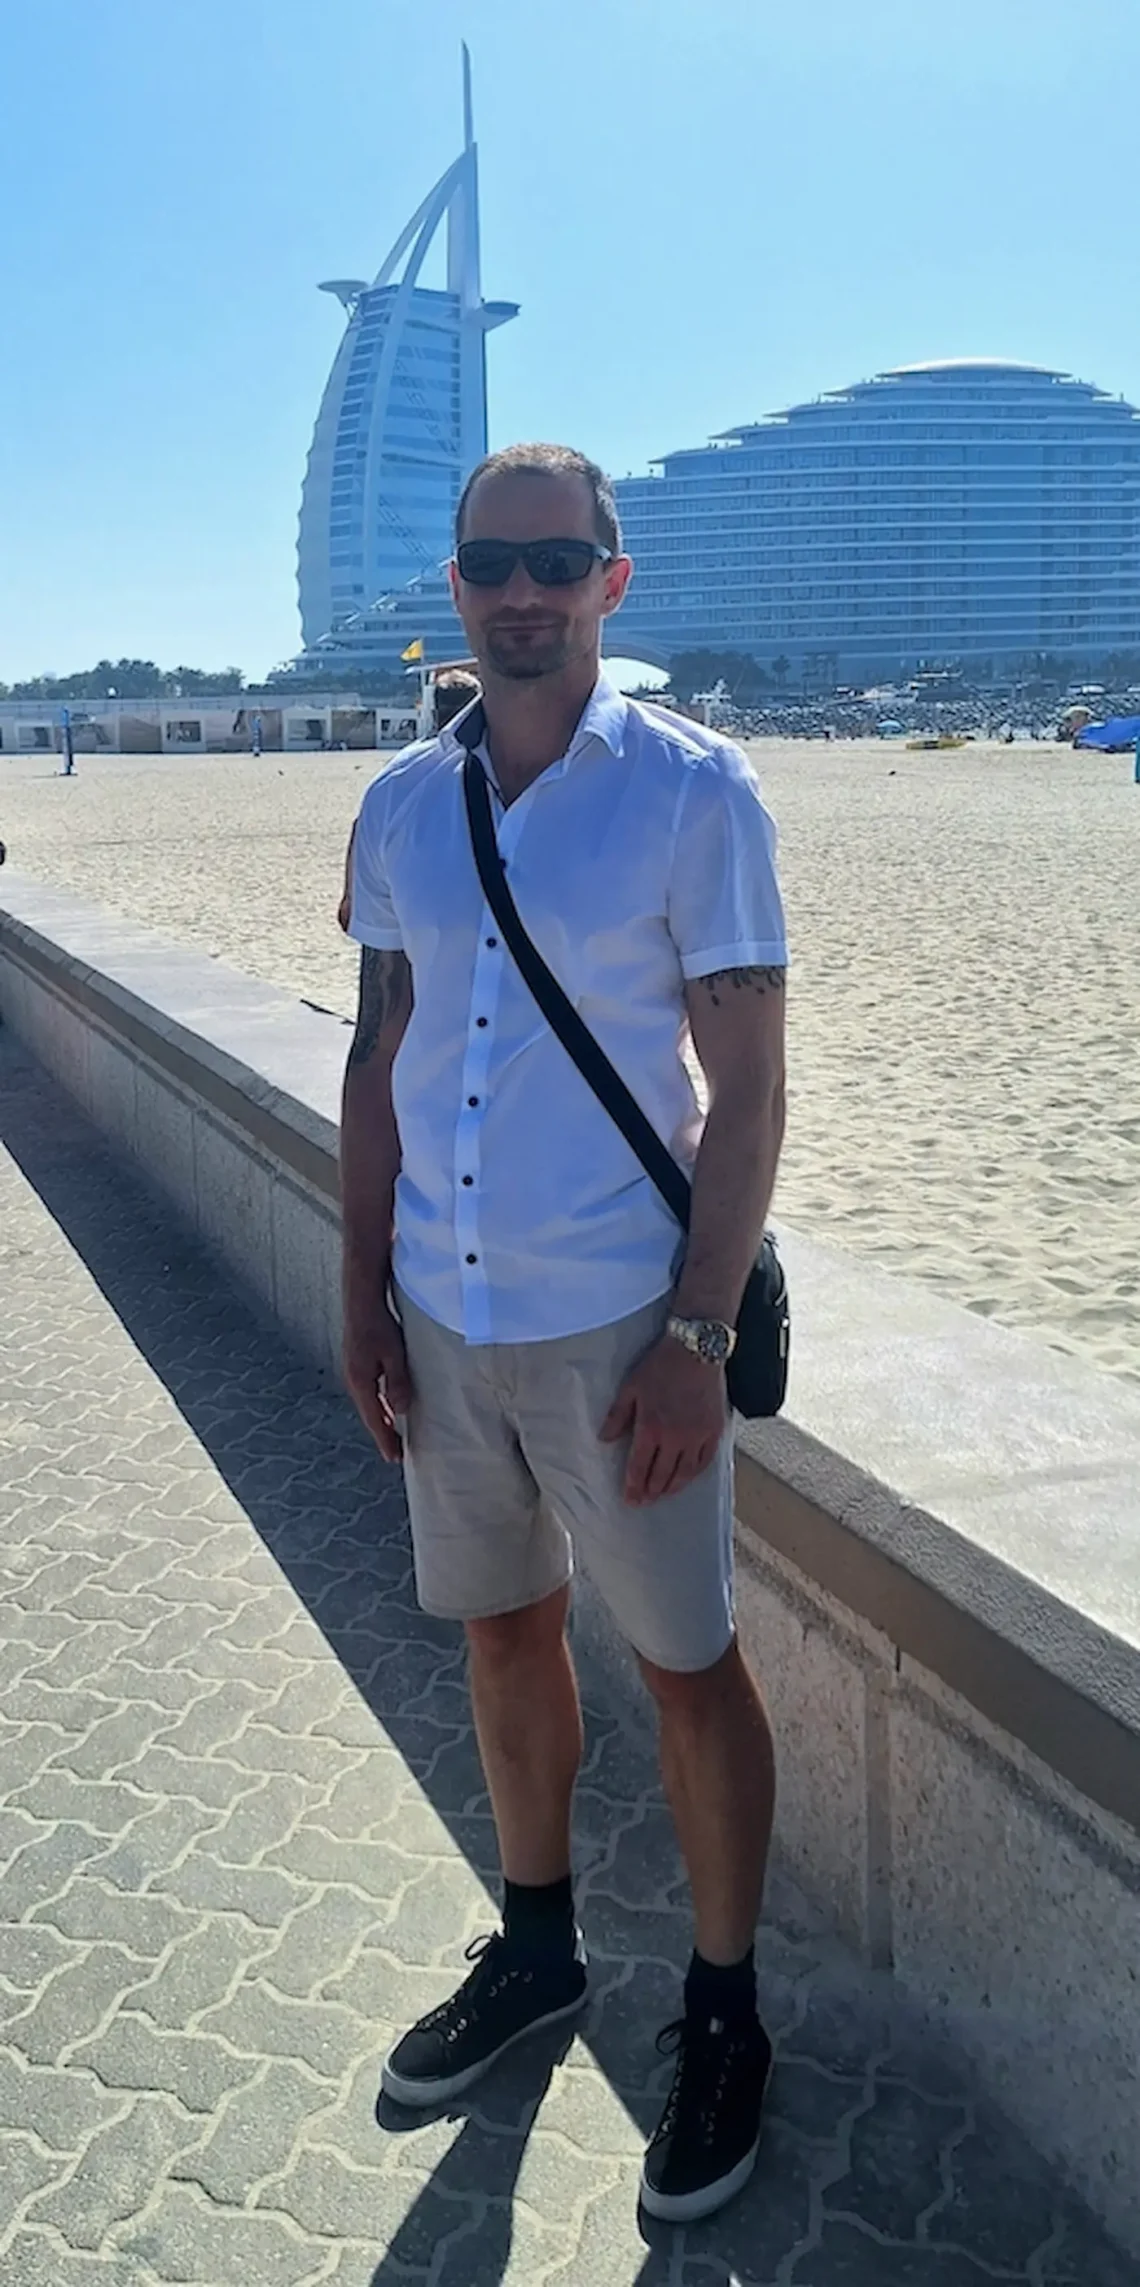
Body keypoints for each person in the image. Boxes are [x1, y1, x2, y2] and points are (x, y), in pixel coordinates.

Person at [340, 442, 787, 2224]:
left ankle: (729, 2006)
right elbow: (378, 1060)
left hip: (624, 1327)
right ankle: (539, 1947)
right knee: (504, 1636)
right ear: (454, 584)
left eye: (557, 558)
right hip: (444, 1321)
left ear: (613, 577)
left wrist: (695, 1332)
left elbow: (747, 1091)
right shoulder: (393, 806)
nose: (521, 589)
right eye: (490, 561)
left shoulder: (695, 793)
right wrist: (358, 1284)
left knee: (690, 1668)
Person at [337, 669, 480, 935]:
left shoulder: (403, 768)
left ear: (435, 713)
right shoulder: (505, 763)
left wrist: (350, 894)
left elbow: (364, 828)